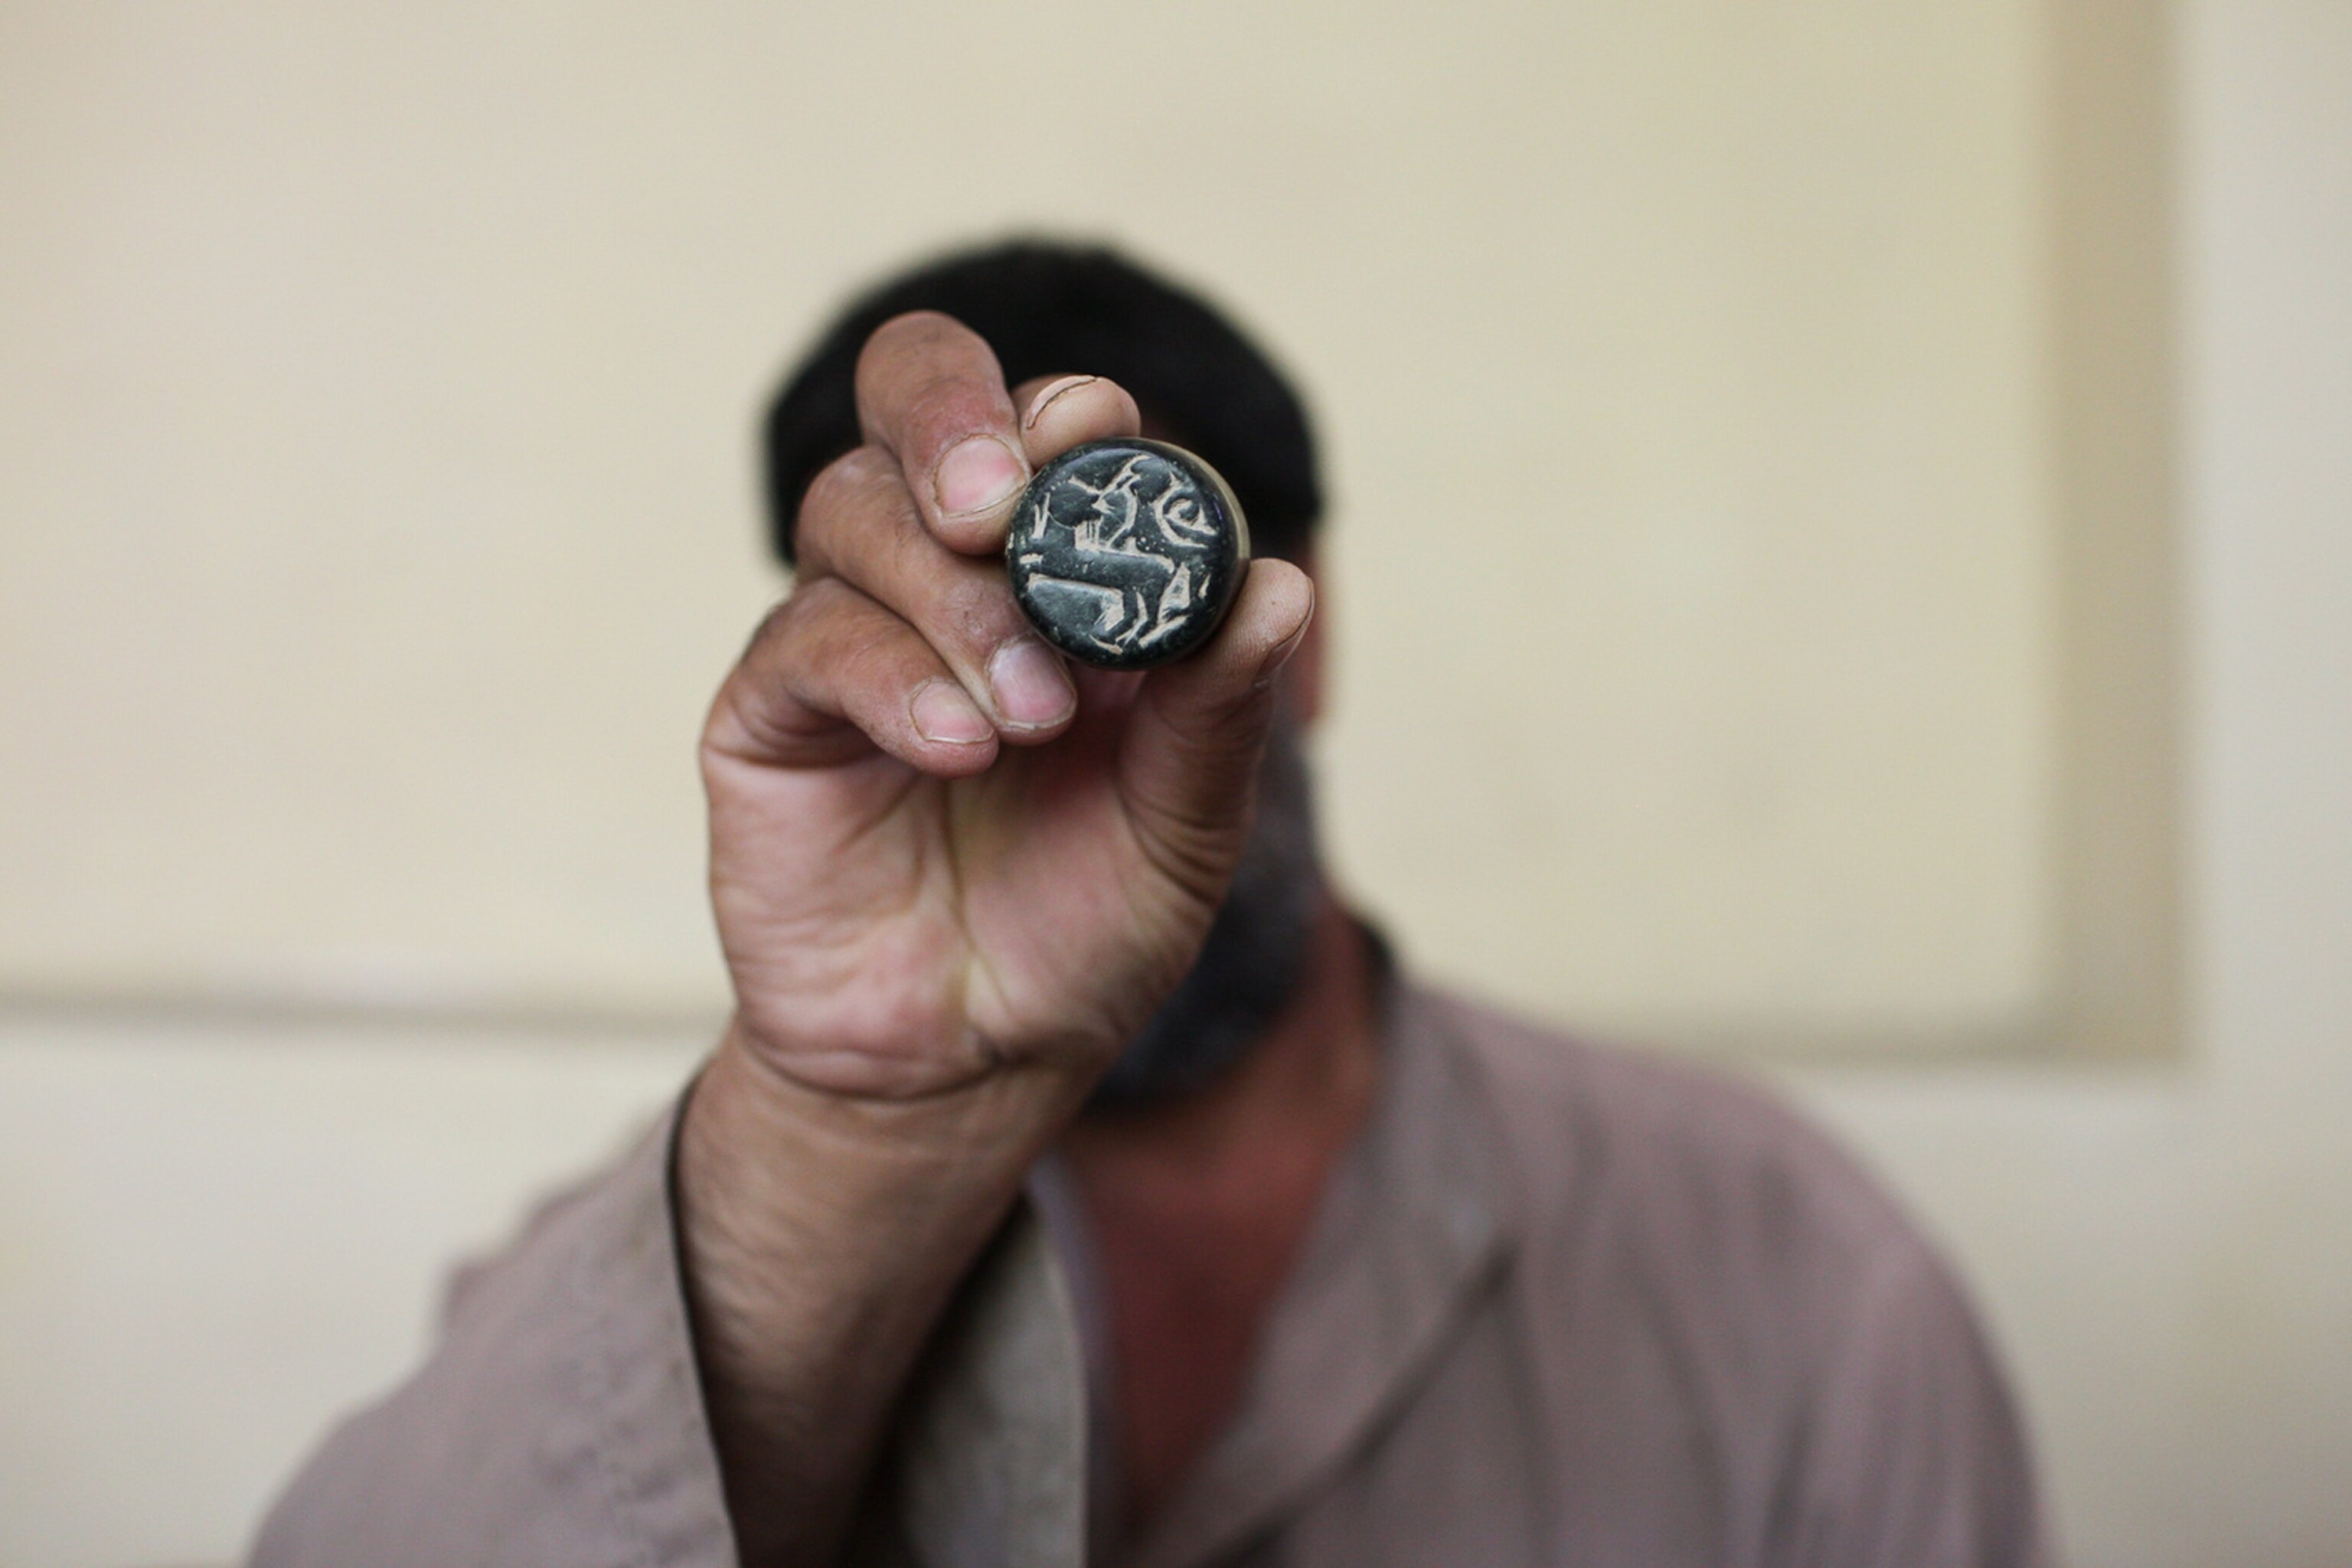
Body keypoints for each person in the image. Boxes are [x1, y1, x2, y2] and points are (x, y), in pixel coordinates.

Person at [252, 241, 2043, 1568]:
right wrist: (846, 1125)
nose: (1059, 733)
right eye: (954, 631)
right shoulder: (666, 1272)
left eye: (1128, 605)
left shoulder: (1796, 1277)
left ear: (1301, 622)